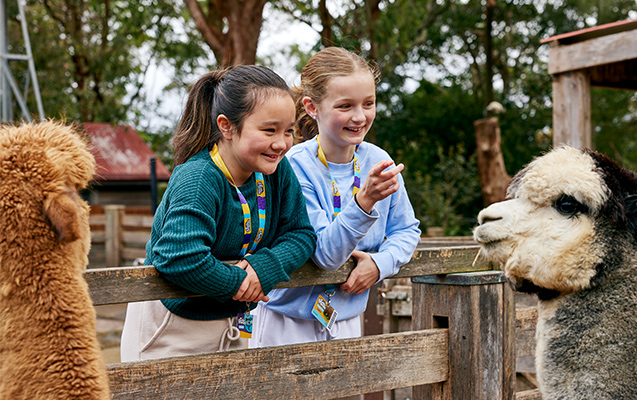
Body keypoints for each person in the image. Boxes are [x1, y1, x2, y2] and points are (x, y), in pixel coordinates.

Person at [120, 65, 317, 361]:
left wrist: (265, 267)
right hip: (173, 326)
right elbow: (179, 256)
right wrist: (239, 282)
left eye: (288, 131)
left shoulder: (275, 170)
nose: (282, 143)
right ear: (226, 126)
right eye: (269, 130)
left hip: (234, 323)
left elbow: (301, 234)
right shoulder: (199, 179)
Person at [250, 47, 421, 347]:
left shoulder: (380, 161)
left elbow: (406, 229)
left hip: (345, 321)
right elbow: (325, 255)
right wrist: (364, 202)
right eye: (345, 106)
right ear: (312, 107)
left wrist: (381, 263)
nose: (359, 116)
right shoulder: (292, 167)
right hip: (287, 324)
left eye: (369, 103)